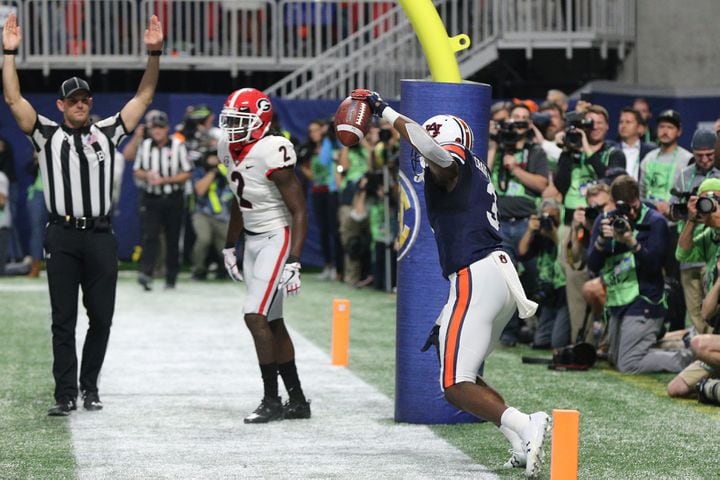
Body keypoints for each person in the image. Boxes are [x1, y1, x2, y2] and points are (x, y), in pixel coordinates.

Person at [350, 88, 551, 478]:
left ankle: (528, 423)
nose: (421, 154)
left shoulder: (451, 165)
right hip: (492, 275)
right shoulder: (473, 167)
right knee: (466, 371)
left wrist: (384, 111)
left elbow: (436, 153)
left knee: (453, 385)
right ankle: (518, 440)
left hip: (476, 274)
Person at [2, 13, 164, 415]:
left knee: (102, 318)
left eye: (84, 99)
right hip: (62, 234)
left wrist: (154, 54)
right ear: (60, 105)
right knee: (63, 321)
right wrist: (8, 53)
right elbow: (13, 100)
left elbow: (143, 99)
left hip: (99, 235)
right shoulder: (46, 134)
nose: (79, 105)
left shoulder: (108, 132)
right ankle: (65, 394)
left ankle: (89, 387)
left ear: (90, 103)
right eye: (72, 100)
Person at [218, 88, 311, 423]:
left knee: (254, 315)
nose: (232, 128)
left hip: (277, 235)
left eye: (240, 121)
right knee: (272, 321)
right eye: (229, 120)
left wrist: (295, 259)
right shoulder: (227, 148)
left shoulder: (273, 148)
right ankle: (298, 401)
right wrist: (231, 244)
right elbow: (238, 200)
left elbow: (299, 210)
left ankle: (271, 400)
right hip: (254, 241)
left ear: (260, 121)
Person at [586, 175, 693, 373]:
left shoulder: (655, 221)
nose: (632, 212)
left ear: (638, 198)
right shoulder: (605, 221)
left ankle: (688, 359)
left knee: (628, 363)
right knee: (614, 358)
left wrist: (631, 241)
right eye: (626, 208)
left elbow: (654, 265)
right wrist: (601, 241)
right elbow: (592, 265)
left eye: (634, 206)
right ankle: (676, 343)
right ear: (614, 204)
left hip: (646, 299)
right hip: (618, 301)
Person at [132, 110, 191, 290]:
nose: (157, 131)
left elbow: (187, 173)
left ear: (167, 128)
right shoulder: (145, 146)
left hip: (173, 198)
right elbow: (136, 170)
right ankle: (146, 274)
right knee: (150, 236)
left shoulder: (178, 146)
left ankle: (171, 278)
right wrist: (147, 175)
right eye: (154, 128)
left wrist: (166, 180)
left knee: (173, 239)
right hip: (151, 198)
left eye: (160, 127)